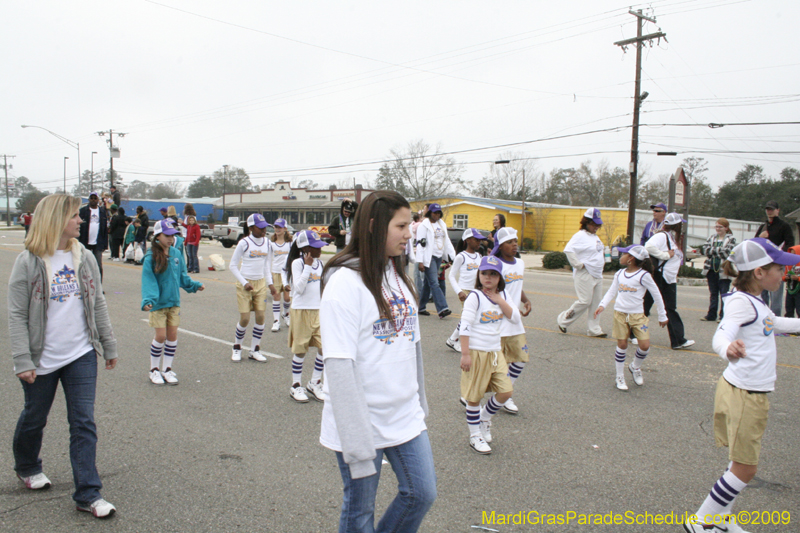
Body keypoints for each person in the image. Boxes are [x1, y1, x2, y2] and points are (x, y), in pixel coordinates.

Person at [319, 190, 436, 533]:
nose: (409, 233)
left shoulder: (399, 276)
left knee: (421, 494)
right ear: (373, 226)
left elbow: (413, 347)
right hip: (361, 420)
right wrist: (357, 446)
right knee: (360, 512)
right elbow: (339, 366)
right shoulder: (344, 283)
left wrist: (420, 405)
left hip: (405, 416)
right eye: (401, 226)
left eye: (410, 224)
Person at [8, 194, 118, 518]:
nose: (81, 220)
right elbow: (17, 314)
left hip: (80, 353)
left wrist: (108, 344)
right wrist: (23, 359)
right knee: (35, 417)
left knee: (83, 422)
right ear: (56, 220)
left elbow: (97, 302)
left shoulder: (83, 256)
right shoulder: (28, 261)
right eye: (74, 216)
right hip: (42, 357)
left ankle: (88, 493)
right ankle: (27, 465)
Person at [683, 238, 800, 533]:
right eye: (779, 269)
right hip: (747, 394)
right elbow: (722, 335)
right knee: (746, 468)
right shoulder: (741, 303)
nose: (784, 273)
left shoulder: (753, 300)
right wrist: (728, 348)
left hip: (743, 390)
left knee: (738, 462)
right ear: (759, 272)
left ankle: (721, 518)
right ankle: (702, 521)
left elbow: (773, 323)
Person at [459, 255, 520, 455]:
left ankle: (484, 418)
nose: (488, 277)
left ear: (500, 277)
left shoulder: (503, 295)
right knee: (474, 397)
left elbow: (515, 318)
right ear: (479, 275)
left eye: (493, 274)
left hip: (495, 352)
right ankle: (475, 435)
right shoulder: (474, 297)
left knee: (506, 391)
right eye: (484, 273)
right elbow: (465, 325)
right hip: (476, 352)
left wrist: (500, 300)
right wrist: (465, 353)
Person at [594, 245, 667, 391]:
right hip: (620, 314)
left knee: (644, 346)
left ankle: (635, 366)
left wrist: (662, 314)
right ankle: (619, 376)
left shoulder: (643, 275)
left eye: (624, 254)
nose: (621, 256)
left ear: (631, 259)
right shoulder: (619, 273)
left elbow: (656, 294)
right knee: (622, 344)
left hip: (637, 316)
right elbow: (612, 291)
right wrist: (602, 305)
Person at [141, 220, 204, 385]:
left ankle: (167, 369)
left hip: (174, 302)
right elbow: (148, 280)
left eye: (172, 235)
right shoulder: (151, 256)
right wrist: (149, 300)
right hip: (158, 304)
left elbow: (182, 276)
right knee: (160, 336)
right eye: (167, 235)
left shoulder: (176, 253)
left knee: (172, 335)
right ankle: (154, 370)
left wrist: (194, 285)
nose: (170, 239)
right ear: (157, 236)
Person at [489, 227, 531, 415]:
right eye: (509, 242)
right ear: (500, 246)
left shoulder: (520, 263)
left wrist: (526, 300)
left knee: (520, 359)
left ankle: (505, 393)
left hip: (514, 320)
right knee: (494, 363)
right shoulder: (495, 264)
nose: (514, 244)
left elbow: (517, 285)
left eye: (515, 241)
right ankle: (472, 393)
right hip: (497, 320)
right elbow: (488, 290)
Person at [229, 214, 278, 363]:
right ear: (251, 228)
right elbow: (232, 265)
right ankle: (237, 347)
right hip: (245, 284)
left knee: (261, 317)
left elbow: (266, 265)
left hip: (260, 283)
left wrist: (270, 284)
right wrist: (244, 282)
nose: (264, 230)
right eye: (260, 227)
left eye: (265, 227)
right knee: (245, 319)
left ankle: (254, 350)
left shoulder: (267, 243)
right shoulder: (244, 243)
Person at [284, 230, 326, 402]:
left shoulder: (321, 263)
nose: (320, 249)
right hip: (301, 310)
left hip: (318, 310)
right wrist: (307, 266)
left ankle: (315, 382)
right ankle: (295, 385)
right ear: (305, 249)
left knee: (324, 347)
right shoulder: (298, 263)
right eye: (316, 247)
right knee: (300, 350)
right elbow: (299, 289)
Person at [644, 212, 695, 350]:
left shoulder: (671, 237)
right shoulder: (663, 235)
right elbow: (648, 246)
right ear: (677, 225)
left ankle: (632, 332)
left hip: (668, 278)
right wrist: (665, 255)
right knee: (666, 308)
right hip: (662, 277)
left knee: (649, 305)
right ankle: (678, 340)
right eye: (680, 224)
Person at [557, 208, 607, 337]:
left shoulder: (595, 237)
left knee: (596, 303)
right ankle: (564, 319)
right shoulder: (580, 235)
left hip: (597, 274)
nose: (596, 227)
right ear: (586, 222)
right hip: (585, 273)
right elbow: (568, 250)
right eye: (594, 224)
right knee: (585, 301)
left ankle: (594, 329)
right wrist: (578, 265)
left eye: (598, 224)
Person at [445, 229, 487, 353]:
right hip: (465, 291)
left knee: (472, 317)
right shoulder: (461, 257)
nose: (479, 242)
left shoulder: (479, 256)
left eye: (480, 240)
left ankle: (455, 339)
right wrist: (459, 291)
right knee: (467, 317)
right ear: (468, 240)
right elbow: (451, 275)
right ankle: (454, 340)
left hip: (476, 291)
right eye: (476, 240)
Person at [754, 200, 794, 316]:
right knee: (762, 293)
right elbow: (754, 243)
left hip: (776, 264)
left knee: (776, 293)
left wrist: (779, 255)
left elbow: (790, 243)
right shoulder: (763, 227)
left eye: (772, 209)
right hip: (763, 264)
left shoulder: (784, 226)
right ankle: (763, 317)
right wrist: (760, 237)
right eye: (768, 209)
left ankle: (775, 319)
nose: (769, 211)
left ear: (778, 210)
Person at [416, 203, 455, 319]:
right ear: (430, 213)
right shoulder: (424, 226)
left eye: (439, 213)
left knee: (427, 284)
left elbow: (446, 240)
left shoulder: (442, 224)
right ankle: (442, 308)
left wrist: (452, 256)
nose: (437, 215)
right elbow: (420, 244)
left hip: (439, 257)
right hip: (429, 257)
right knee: (434, 282)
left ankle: (421, 307)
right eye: (435, 213)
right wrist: (420, 261)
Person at [701, 218, 737, 321]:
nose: (718, 229)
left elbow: (727, 253)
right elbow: (705, 251)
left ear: (726, 228)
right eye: (716, 226)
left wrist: (712, 250)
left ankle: (723, 316)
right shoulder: (712, 238)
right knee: (713, 293)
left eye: (720, 227)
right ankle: (711, 315)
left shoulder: (731, 239)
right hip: (711, 269)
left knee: (724, 294)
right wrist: (718, 250)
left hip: (724, 271)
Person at [78, 192, 108, 282]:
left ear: (98, 200)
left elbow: (104, 229)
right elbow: (78, 227)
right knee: (83, 264)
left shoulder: (102, 212)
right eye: (92, 198)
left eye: (95, 198)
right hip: (85, 242)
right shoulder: (83, 211)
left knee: (98, 265)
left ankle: (98, 285)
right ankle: (84, 284)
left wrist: (105, 244)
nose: (93, 200)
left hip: (98, 243)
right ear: (89, 199)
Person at [269, 218, 293, 332]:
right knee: (276, 296)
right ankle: (276, 321)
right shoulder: (271, 243)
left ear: (285, 228)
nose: (277, 229)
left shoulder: (290, 243)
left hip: (287, 273)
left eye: (280, 227)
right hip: (276, 272)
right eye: (276, 227)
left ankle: (286, 315)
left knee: (287, 298)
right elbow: (268, 259)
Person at [782, 245, 800, 318]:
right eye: (791, 254)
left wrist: (798, 278)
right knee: (789, 310)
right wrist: (785, 278)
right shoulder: (789, 264)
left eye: (794, 254)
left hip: (798, 291)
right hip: (790, 290)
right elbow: (783, 275)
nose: (792, 256)